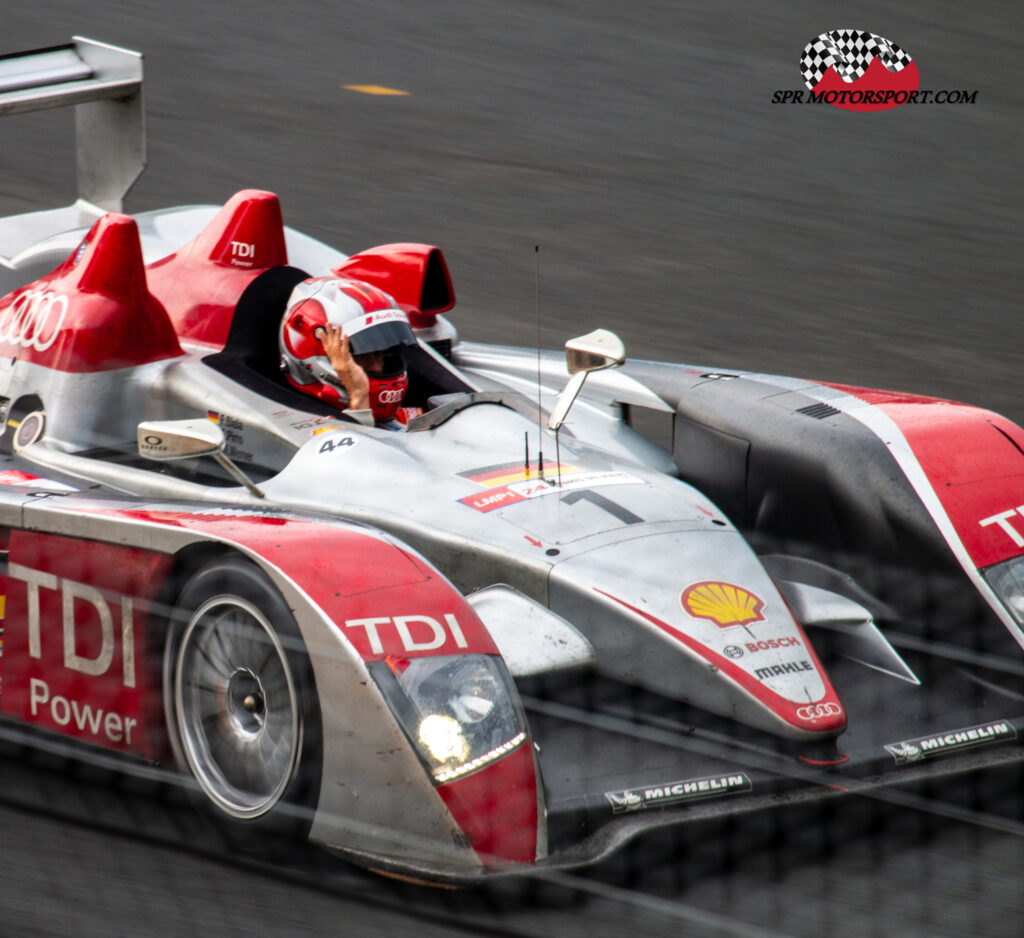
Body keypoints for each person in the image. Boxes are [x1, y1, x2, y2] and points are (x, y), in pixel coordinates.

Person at [279, 276, 418, 427]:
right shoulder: (304, 431)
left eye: (380, 353)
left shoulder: (409, 417)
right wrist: (359, 398)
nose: (378, 367)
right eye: (359, 357)